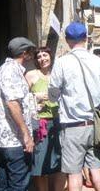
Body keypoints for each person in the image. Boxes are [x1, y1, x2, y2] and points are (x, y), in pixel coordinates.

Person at [48, 22, 100, 191]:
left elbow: (53, 95)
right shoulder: (99, 62)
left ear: (67, 40)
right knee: (97, 172)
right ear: (86, 38)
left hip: (72, 127)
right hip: (95, 126)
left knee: (74, 174)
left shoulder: (62, 63)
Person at [0, 37, 36, 191]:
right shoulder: (11, 71)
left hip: (7, 140)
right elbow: (12, 103)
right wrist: (26, 135)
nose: (32, 54)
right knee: (18, 184)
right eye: (31, 51)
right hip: (14, 140)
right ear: (24, 53)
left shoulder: (5, 69)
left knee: (4, 183)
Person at [25, 47, 66, 190]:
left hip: (58, 122)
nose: (42, 58)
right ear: (36, 60)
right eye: (39, 56)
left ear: (51, 56)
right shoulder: (31, 75)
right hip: (39, 124)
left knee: (59, 162)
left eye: (45, 55)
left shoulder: (57, 74)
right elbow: (22, 98)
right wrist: (35, 97)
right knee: (39, 163)